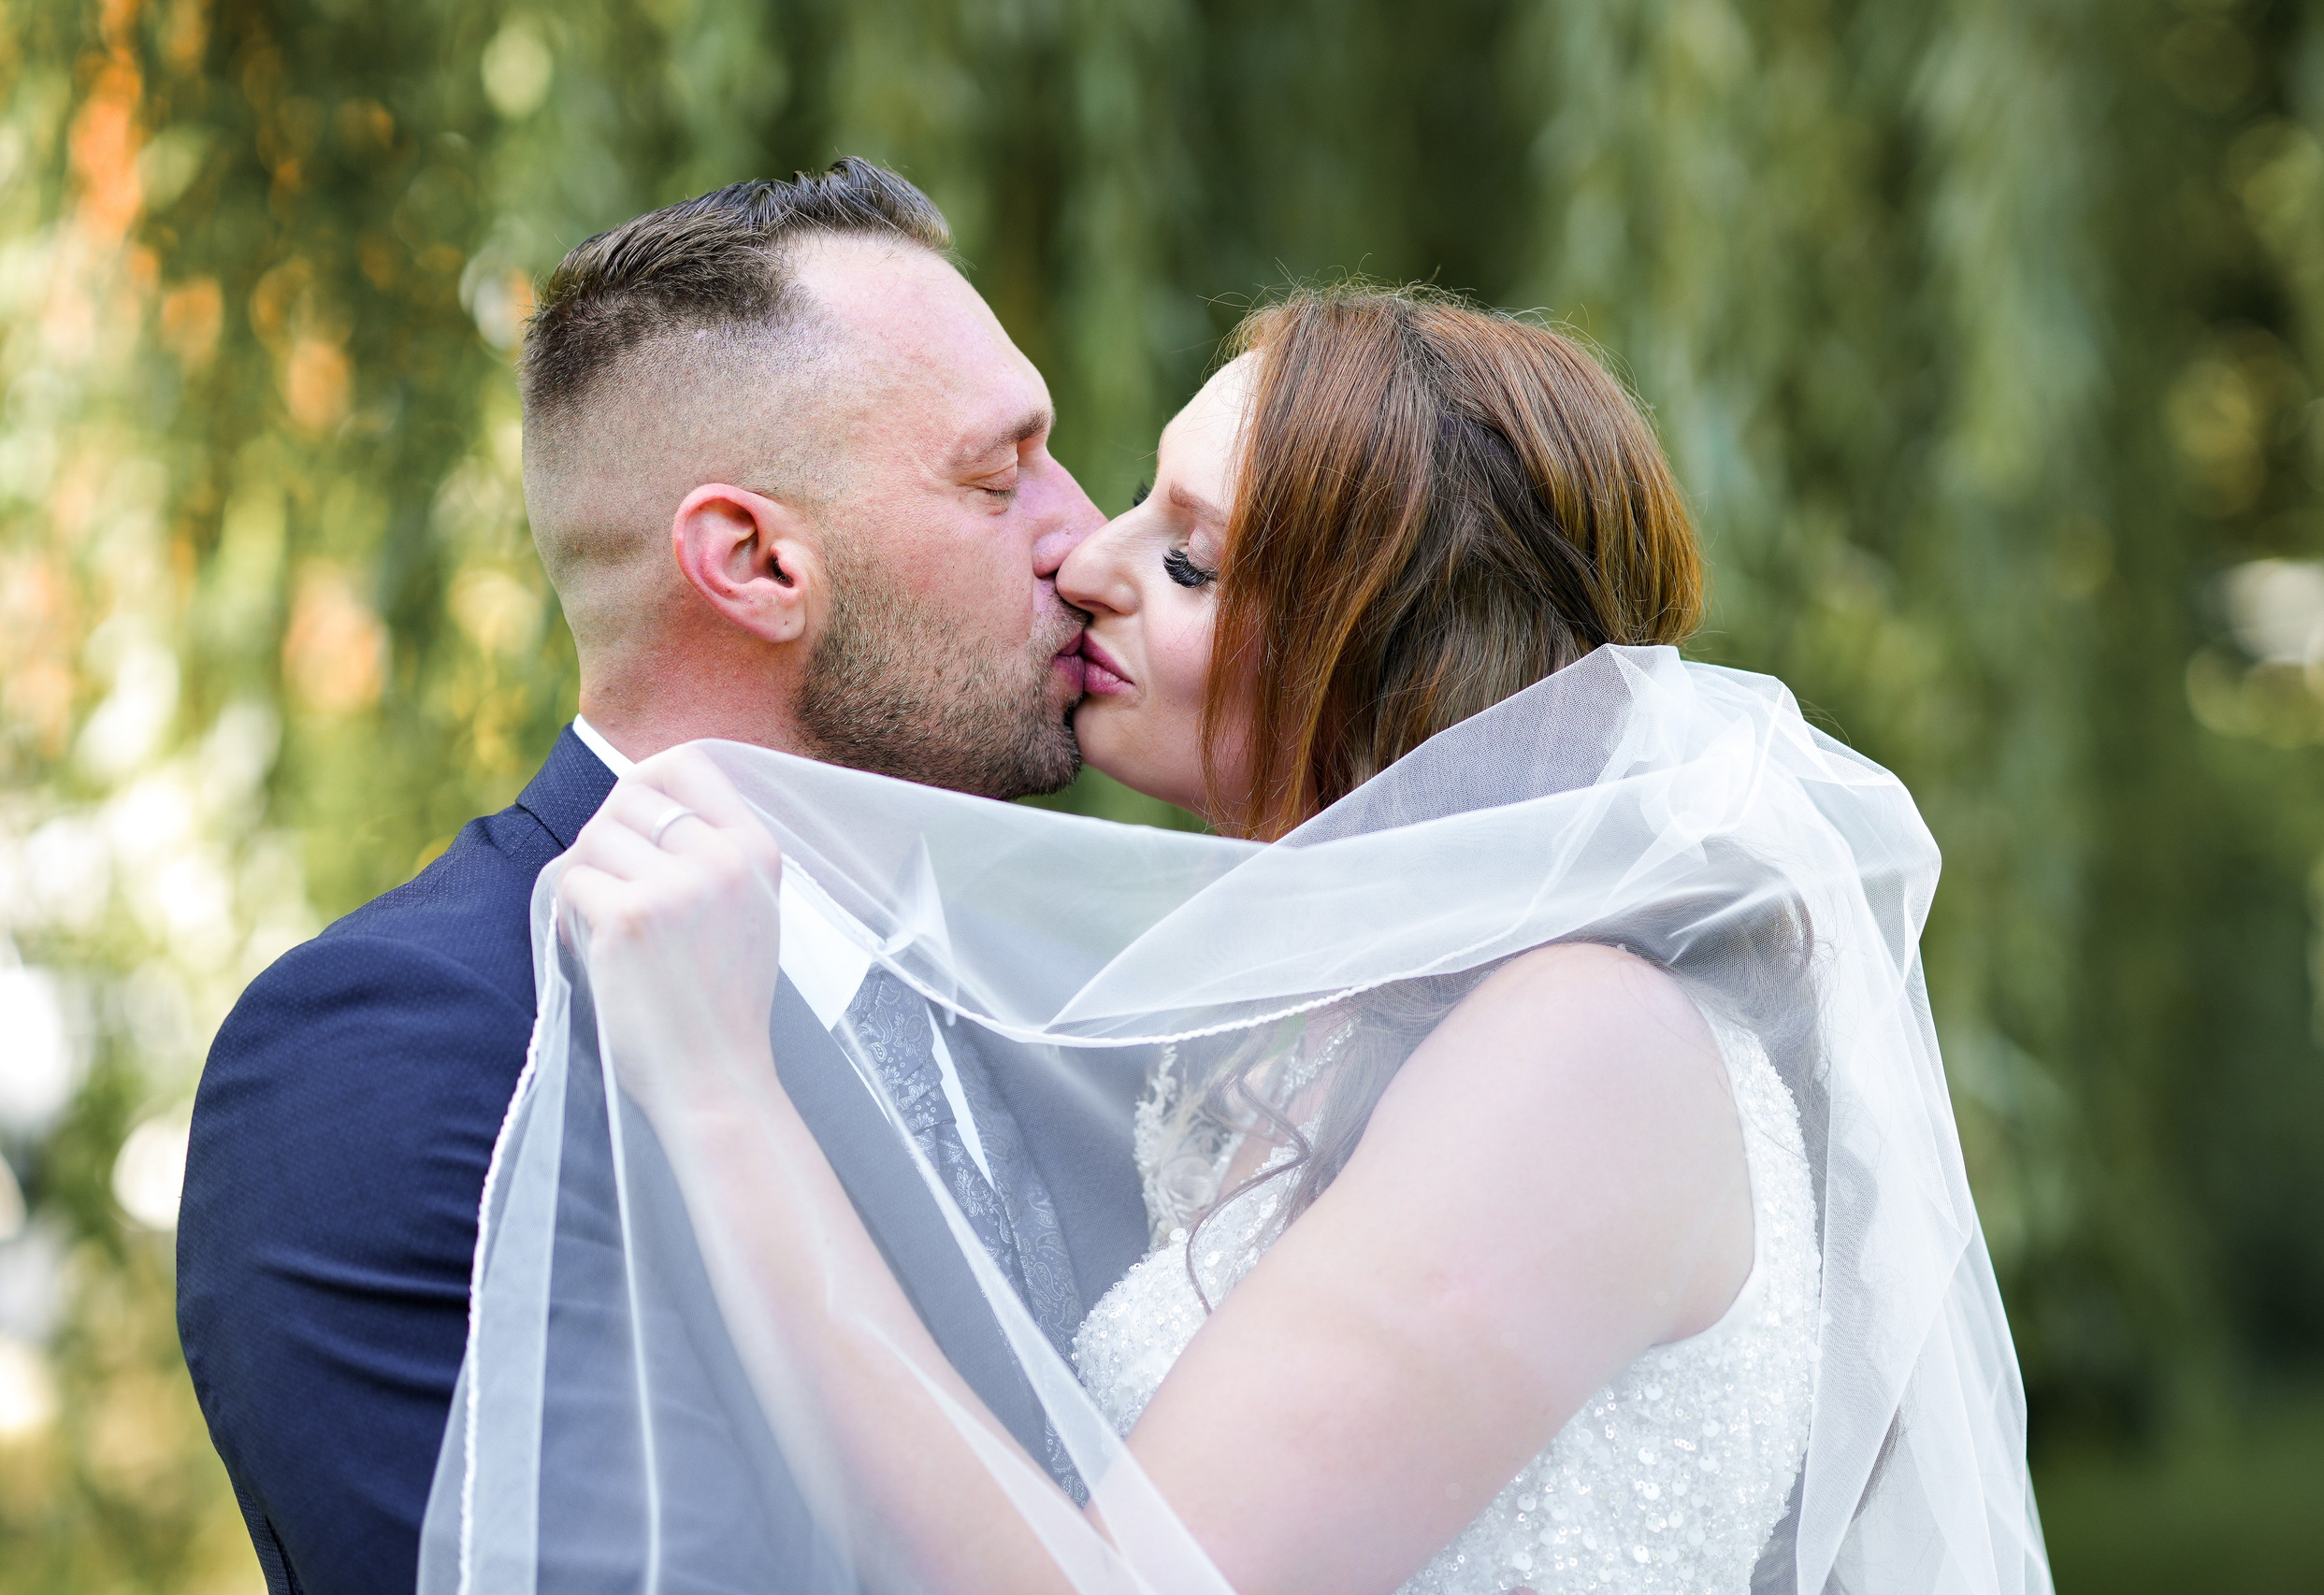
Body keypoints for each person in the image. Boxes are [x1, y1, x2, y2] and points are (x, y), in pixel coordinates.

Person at [472, 286, 2049, 1595]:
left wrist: (712, 1084)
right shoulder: (1331, 1039)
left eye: (1186, 559)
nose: (1084, 560)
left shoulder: (1587, 1049)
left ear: (1378, 665)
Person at [176, 159, 1153, 1595]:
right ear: (754, 560)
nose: (1088, 540)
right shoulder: (398, 1052)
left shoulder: (1066, 1009)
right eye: (999, 478)